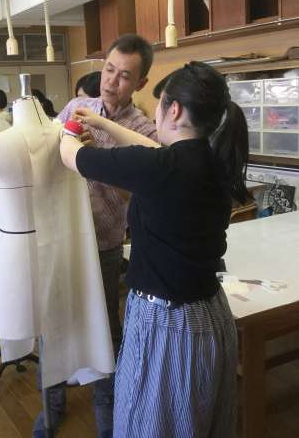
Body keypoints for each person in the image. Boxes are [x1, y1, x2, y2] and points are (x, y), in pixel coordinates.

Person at [60, 61, 249, 438]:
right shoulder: (212, 161)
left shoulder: (159, 167)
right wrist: (101, 123)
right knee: (201, 423)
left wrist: (69, 129)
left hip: (166, 322)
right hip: (210, 314)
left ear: (173, 110)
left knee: (151, 423)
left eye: (160, 104)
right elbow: (153, 148)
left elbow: (72, 156)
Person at [33, 34, 158, 438]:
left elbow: (140, 196)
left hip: (104, 242)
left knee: (105, 329)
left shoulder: (143, 130)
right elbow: (47, 156)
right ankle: (51, 408)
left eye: (124, 76)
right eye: (109, 70)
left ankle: (109, 418)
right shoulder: (76, 108)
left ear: (140, 83)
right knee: (53, 322)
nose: (111, 82)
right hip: (62, 235)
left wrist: (97, 162)